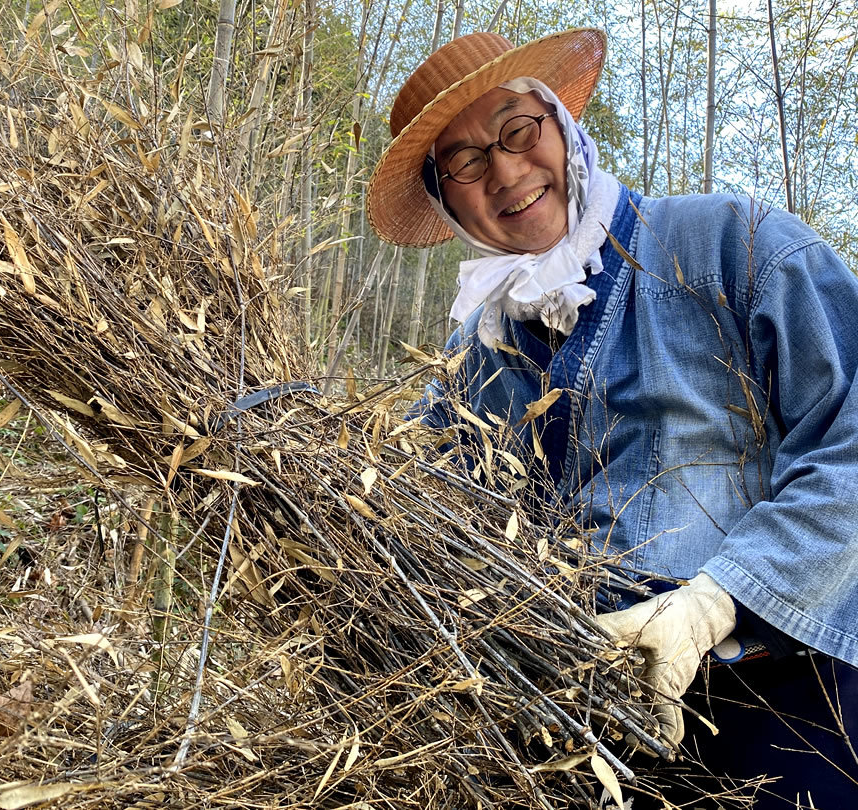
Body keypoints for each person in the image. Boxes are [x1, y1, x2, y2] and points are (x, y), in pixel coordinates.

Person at [366, 28, 858, 808]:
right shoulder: (476, 350)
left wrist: (716, 600)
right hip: (587, 733)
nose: (504, 170)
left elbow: (851, 446)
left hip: (786, 707)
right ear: (444, 196)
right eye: (462, 161)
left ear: (560, 123)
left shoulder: (737, 246)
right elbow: (423, 505)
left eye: (517, 129)